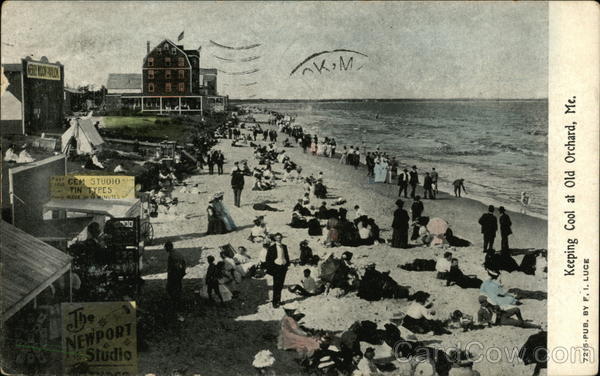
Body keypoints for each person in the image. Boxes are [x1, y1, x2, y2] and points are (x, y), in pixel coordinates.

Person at [266, 233, 290, 308]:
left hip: (283, 267)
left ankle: (278, 300)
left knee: (281, 285)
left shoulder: (284, 246)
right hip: (276, 268)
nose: (279, 239)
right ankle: (274, 302)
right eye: (277, 238)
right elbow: (268, 259)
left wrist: (287, 264)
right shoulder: (271, 248)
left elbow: (286, 256)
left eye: (280, 237)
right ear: (275, 239)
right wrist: (272, 270)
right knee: (276, 285)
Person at [165, 242, 186, 319]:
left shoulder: (171, 256)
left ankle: (175, 304)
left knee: (170, 289)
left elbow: (171, 268)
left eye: (166, 248)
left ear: (168, 248)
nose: (165, 249)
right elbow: (183, 263)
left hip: (174, 275)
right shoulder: (178, 253)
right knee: (178, 287)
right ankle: (178, 301)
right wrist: (183, 272)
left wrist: (169, 275)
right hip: (179, 274)